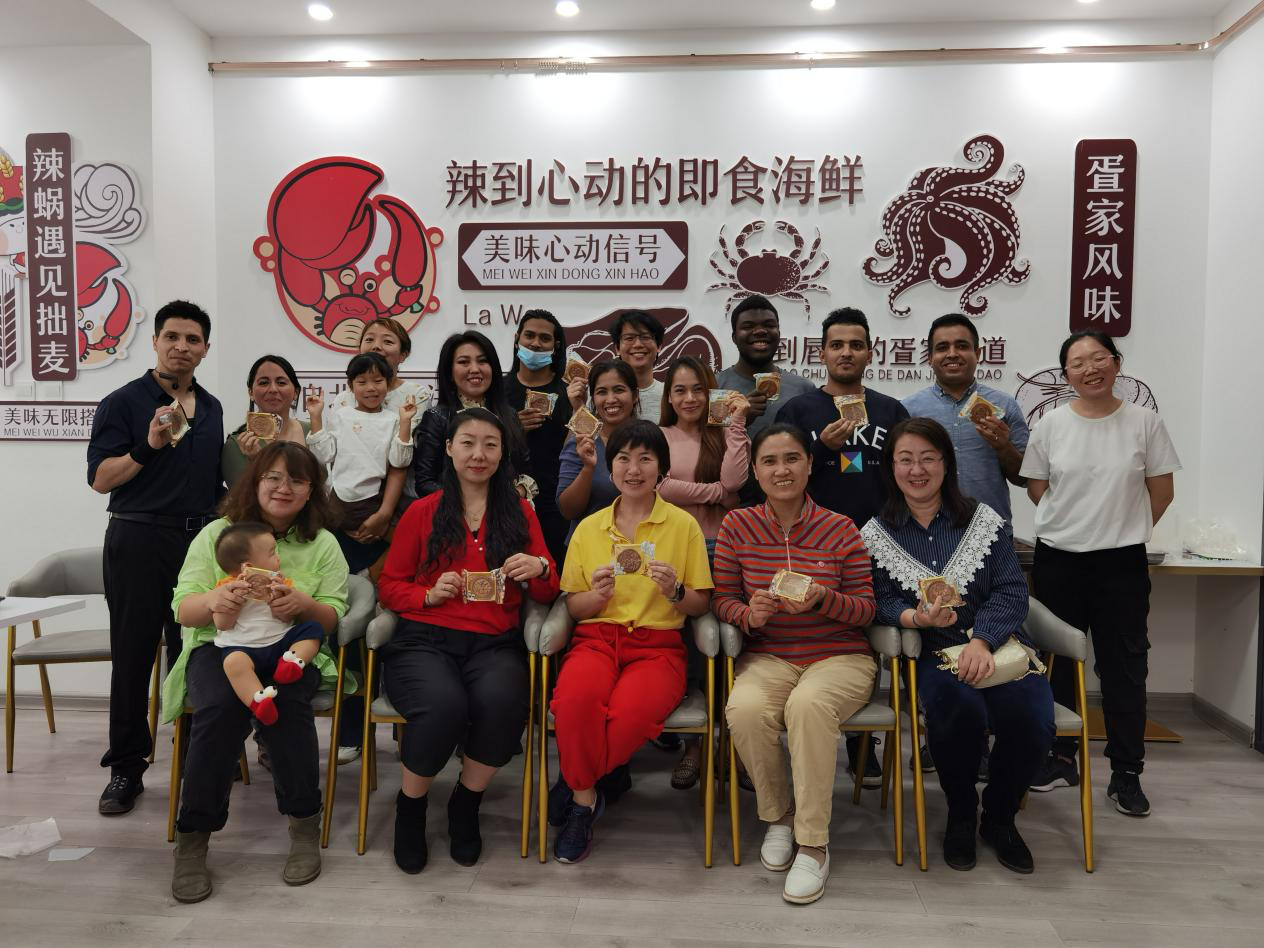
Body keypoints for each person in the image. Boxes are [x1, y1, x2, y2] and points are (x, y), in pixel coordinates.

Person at [863, 418, 1054, 874]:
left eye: (928, 458)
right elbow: (878, 600)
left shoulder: (983, 520)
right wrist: (916, 618)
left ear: (946, 464)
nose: (917, 470)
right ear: (891, 467)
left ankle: (1001, 817)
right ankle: (962, 813)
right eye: (905, 459)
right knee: (959, 713)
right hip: (933, 654)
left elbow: (1011, 590)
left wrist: (983, 641)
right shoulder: (876, 533)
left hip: (1000, 646)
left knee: (1032, 718)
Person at [162, 441, 349, 903]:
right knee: (220, 708)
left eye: (298, 480)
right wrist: (215, 600)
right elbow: (183, 609)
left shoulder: (322, 543)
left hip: (290, 650)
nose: (284, 488)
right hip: (221, 648)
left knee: (287, 706)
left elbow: (331, 616)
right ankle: (193, 837)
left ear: (311, 491)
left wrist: (303, 604)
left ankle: (304, 825)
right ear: (255, 481)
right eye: (274, 477)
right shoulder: (218, 534)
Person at [377, 408, 559, 873]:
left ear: (502, 454)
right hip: (425, 640)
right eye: (468, 443)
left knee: (504, 703)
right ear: (449, 449)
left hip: (494, 642)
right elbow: (390, 586)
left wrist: (539, 568)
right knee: (442, 707)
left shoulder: (519, 512)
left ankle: (466, 802)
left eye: (490, 445)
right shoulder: (422, 511)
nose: (479, 454)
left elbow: (547, 590)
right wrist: (427, 593)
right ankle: (411, 807)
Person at [717, 424, 877, 904]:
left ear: (809, 464)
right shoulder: (737, 526)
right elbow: (722, 600)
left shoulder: (840, 527)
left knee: (808, 706)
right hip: (769, 655)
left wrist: (824, 598)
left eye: (791, 459)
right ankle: (779, 816)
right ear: (756, 471)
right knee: (744, 709)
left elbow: (867, 610)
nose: (781, 470)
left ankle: (813, 843)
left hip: (839, 657)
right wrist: (749, 615)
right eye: (769, 461)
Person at [1021, 330, 1179, 817]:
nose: (1090, 368)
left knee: (1124, 667)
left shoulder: (1144, 422)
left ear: (1116, 363)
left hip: (1120, 565)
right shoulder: (1050, 424)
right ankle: (1059, 756)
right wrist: (1074, 524)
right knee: (1056, 662)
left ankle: (1126, 772)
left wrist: (1119, 528)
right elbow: (1038, 488)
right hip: (1058, 560)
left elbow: (1162, 492)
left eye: (1099, 358)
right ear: (1065, 374)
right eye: (1077, 362)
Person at [549, 420, 713, 864]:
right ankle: (586, 799)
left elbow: (699, 604)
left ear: (662, 468)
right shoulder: (589, 528)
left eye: (645, 459)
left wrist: (675, 591)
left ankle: (575, 784)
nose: (633, 469)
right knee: (574, 703)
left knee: (628, 717)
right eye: (623, 458)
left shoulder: (683, 526)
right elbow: (574, 607)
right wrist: (596, 596)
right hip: (596, 641)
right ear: (611, 466)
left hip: (658, 648)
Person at [87, 299, 224, 816]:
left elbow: (211, 483)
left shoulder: (212, 407)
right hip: (138, 540)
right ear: (155, 341)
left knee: (194, 653)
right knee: (133, 656)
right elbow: (100, 479)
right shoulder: (122, 402)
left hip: (198, 547)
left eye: (192, 339)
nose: (181, 347)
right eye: (172, 336)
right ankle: (126, 767)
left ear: (205, 349)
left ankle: (194, 757)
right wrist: (147, 446)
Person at [775, 306, 908, 783]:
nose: (846, 353)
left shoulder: (891, 411)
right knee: (813, 632)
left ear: (871, 352)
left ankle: (862, 742)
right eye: (837, 345)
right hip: (812, 545)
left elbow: (907, 475)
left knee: (867, 636)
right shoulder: (799, 411)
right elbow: (780, 473)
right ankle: (797, 727)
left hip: (880, 542)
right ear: (822, 353)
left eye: (856, 344)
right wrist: (820, 450)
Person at [657, 356, 749, 790]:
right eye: (680, 390)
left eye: (698, 388)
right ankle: (693, 745)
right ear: (668, 397)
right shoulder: (660, 436)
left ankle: (735, 743)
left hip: (723, 548)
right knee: (690, 645)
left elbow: (737, 481)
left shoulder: (725, 434)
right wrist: (716, 493)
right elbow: (661, 487)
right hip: (677, 549)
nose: (689, 398)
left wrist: (736, 423)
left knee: (729, 643)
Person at [902, 314, 1028, 529]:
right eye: (942, 347)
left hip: (991, 531)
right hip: (925, 532)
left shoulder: (1005, 405)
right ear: (930, 358)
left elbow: (1024, 479)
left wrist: (1003, 447)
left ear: (977, 354)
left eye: (962, 346)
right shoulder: (908, 409)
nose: (952, 354)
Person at [306, 352, 418, 574]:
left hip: (372, 499)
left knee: (399, 539)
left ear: (388, 384)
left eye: (378, 381)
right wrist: (315, 417)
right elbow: (324, 455)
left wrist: (405, 422)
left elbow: (399, 460)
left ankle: (367, 575)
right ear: (350, 386)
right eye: (362, 382)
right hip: (340, 498)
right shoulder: (341, 415)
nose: (371, 388)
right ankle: (358, 575)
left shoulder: (393, 419)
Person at [210, 522, 324, 725]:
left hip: (281, 644)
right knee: (233, 663)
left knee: (313, 629)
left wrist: (279, 599)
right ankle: (258, 702)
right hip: (242, 648)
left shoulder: (281, 583)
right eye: (272, 553)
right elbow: (222, 624)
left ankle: (293, 663)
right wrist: (235, 601)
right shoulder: (227, 588)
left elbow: (285, 618)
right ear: (247, 567)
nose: (278, 558)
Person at [504, 309, 583, 567]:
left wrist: (578, 408)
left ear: (556, 345)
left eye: (544, 338)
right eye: (529, 335)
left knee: (553, 573)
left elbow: (579, 448)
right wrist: (512, 430)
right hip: (506, 500)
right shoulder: (498, 391)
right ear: (517, 339)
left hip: (556, 505)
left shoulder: (569, 394)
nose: (536, 343)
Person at [413, 330, 529, 499]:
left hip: (507, 512)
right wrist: (476, 502)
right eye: (463, 362)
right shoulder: (437, 418)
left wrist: (518, 493)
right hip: (453, 513)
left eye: (483, 361)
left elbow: (524, 470)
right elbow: (425, 483)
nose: (475, 369)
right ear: (450, 372)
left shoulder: (510, 415)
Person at [714, 294, 815, 441]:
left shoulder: (803, 389)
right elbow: (710, 445)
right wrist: (740, 419)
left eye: (769, 325)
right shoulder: (716, 386)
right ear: (734, 337)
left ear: (779, 333)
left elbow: (811, 443)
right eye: (748, 326)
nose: (760, 331)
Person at [555, 359, 639, 529]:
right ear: (593, 399)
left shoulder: (650, 440)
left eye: (619, 390)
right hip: (589, 543)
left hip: (643, 541)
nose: (611, 399)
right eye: (602, 392)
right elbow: (567, 510)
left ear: (635, 395)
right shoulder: (580, 442)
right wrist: (588, 468)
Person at [222, 354, 309, 490]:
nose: (273, 389)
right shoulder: (237, 444)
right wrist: (257, 460)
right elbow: (242, 497)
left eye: (281, 383)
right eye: (264, 383)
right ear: (251, 393)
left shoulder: (312, 432)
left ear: (296, 392)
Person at [610, 309, 665, 421]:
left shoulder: (670, 395)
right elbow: (582, 432)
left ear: (659, 346)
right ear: (617, 348)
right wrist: (578, 407)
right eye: (629, 338)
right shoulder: (602, 395)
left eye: (645, 337)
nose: (638, 344)